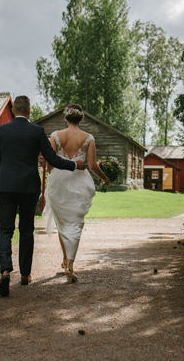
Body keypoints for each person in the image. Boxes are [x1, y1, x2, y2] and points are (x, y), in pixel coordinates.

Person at [0, 95, 86, 297]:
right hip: (28, 187)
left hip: (5, 187)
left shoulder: (1, 130)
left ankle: (5, 271)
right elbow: (52, 159)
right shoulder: (37, 131)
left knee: (5, 230)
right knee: (26, 230)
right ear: (29, 110)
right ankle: (25, 275)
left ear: (13, 110)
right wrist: (74, 165)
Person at [42, 103, 110, 283]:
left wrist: (51, 175)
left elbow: (50, 162)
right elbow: (93, 165)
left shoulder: (55, 136)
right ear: (81, 118)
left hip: (58, 182)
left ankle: (66, 261)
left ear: (66, 117)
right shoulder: (88, 138)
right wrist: (104, 178)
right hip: (79, 182)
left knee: (62, 223)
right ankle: (70, 264)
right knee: (76, 223)